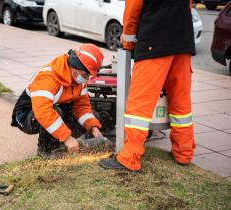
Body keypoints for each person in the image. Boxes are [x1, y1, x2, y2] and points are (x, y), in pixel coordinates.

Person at [100, 0, 196, 171]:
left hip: (154, 41)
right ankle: (184, 153)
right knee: (181, 102)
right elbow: (187, 6)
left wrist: (128, 43)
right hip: (183, 43)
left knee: (139, 105)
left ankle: (129, 158)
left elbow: (132, 10)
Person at [11, 43, 104, 156]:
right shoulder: (48, 78)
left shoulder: (78, 79)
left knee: (93, 115)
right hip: (26, 114)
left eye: (89, 76)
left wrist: (93, 128)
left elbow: (82, 107)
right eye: (85, 75)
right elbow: (43, 112)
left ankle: (61, 146)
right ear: (75, 66)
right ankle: (45, 152)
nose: (87, 79)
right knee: (55, 113)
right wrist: (67, 138)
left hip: (54, 108)